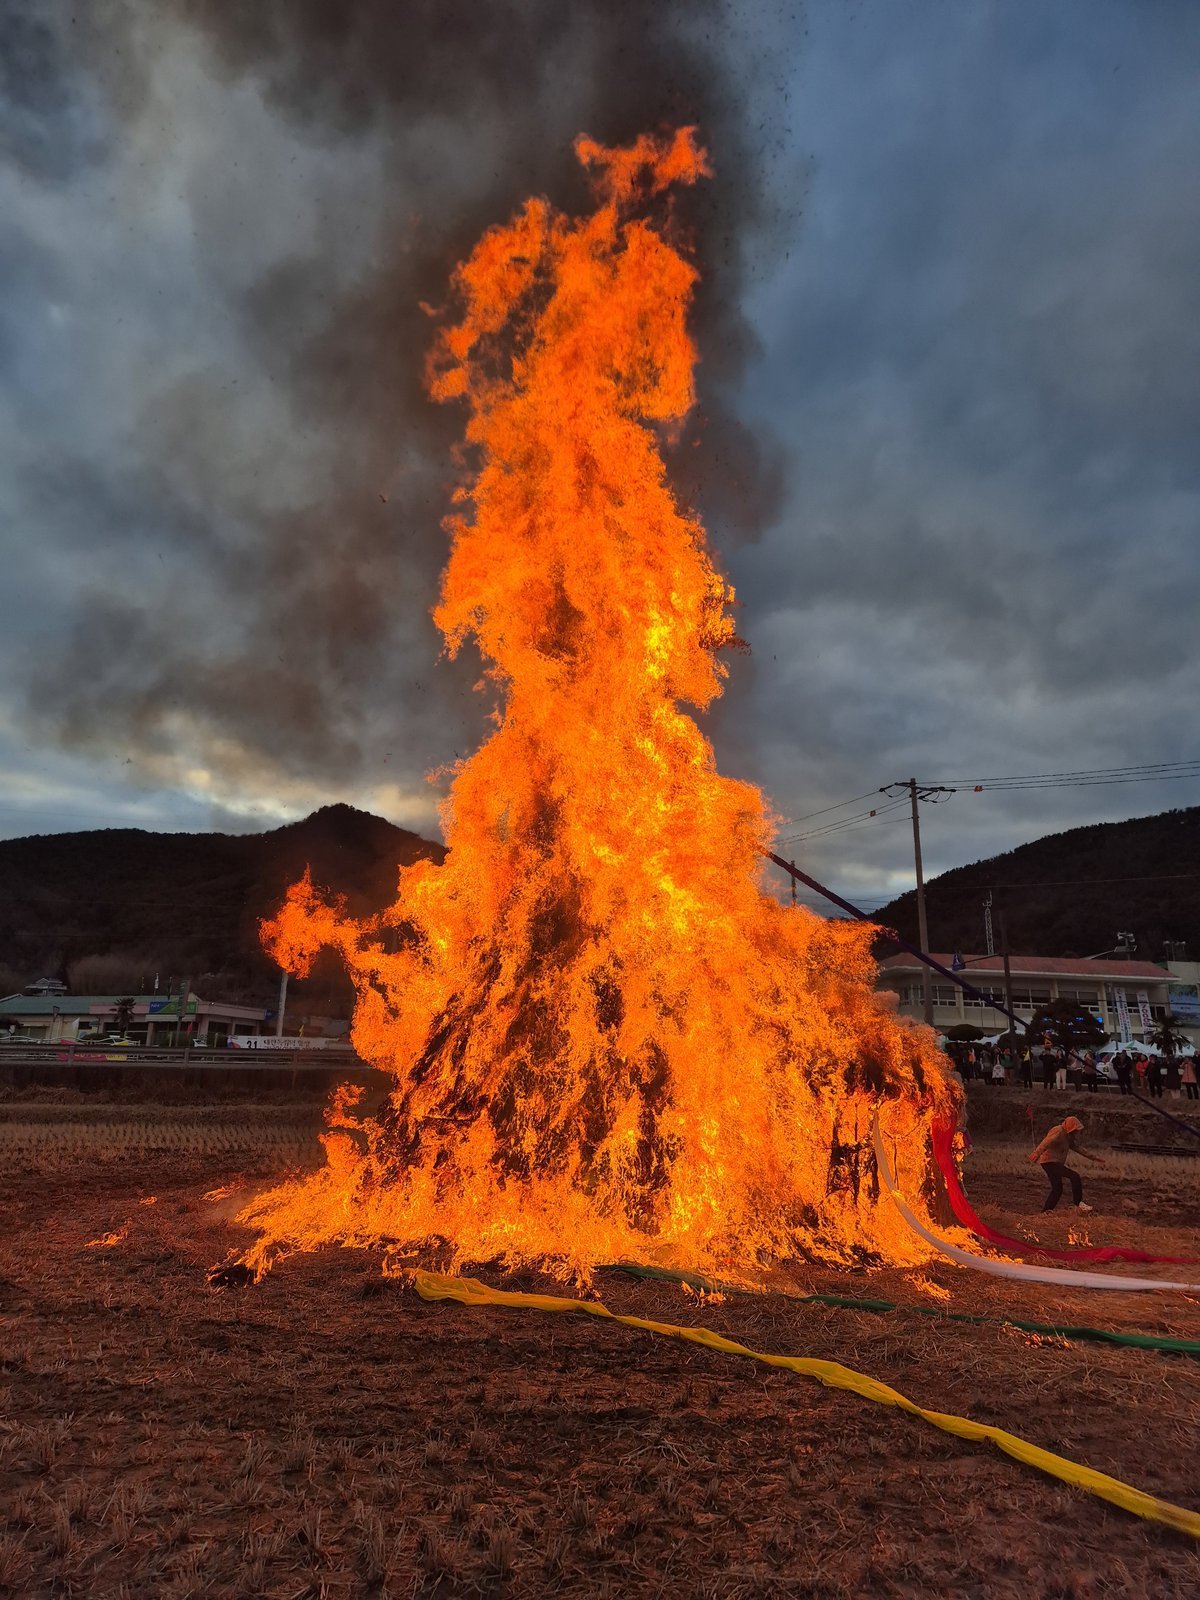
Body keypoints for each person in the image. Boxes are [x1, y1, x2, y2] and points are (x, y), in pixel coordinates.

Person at [1028, 1114, 1106, 1212]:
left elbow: (1077, 1148)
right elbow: (1046, 1142)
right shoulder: (1058, 1131)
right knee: (1074, 1176)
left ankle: (1046, 1212)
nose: (1076, 1132)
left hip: (1053, 1163)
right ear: (1070, 1127)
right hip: (1049, 1162)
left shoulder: (1069, 1136)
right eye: (1075, 1129)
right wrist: (1036, 1153)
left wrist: (1094, 1158)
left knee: (1057, 1189)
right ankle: (1079, 1203)